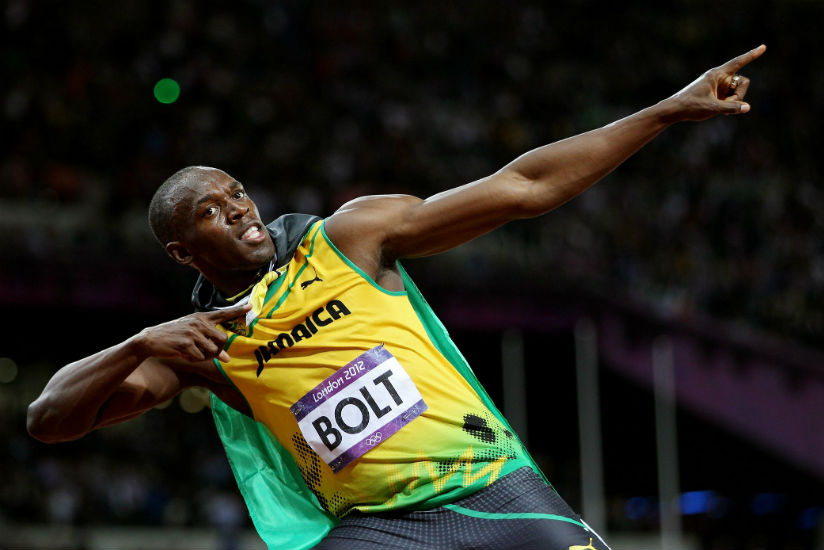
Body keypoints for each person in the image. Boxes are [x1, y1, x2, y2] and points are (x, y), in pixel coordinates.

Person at [27, 45, 765, 550]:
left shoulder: (347, 238)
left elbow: (522, 187)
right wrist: (139, 342)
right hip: (383, 528)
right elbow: (49, 419)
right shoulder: (202, 344)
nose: (241, 210)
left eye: (238, 192)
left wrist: (666, 112)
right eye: (213, 212)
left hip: (492, 489)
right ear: (183, 252)